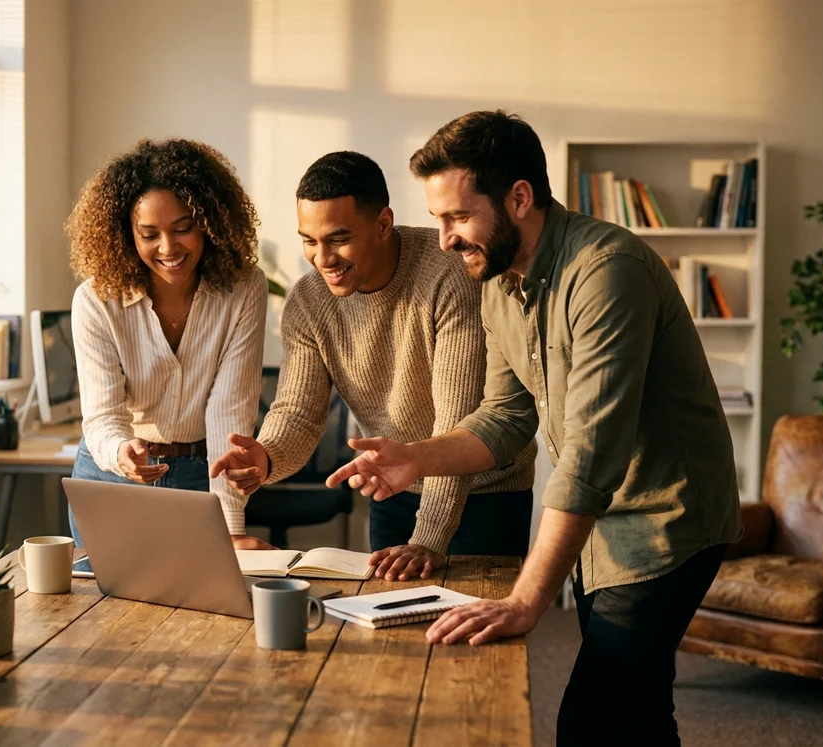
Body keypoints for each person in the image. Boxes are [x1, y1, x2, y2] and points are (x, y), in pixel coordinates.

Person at [326, 112, 742, 746]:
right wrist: (417, 457)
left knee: (595, 724)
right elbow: (506, 414)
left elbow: (591, 455)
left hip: (664, 523)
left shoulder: (608, 271)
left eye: (457, 217)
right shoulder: (498, 280)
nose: (443, 240)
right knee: (639, 715)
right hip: (602, 526)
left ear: (519, 198)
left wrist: (525, 602)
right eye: (437, 219)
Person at [211, 151, 536, 580]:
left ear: (383, 224)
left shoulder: (449, 275)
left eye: (338, 238)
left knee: (475, 621)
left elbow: (457, 422)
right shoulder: (309, 301)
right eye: (309, 241)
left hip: (484, 493)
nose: (323, 258)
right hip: (391, 488)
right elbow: (298, 412)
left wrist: (429, 537)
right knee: (387, 615)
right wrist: (267, 455)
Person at [65, 137, 272, 552]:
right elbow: (103, 417)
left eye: (183, 229)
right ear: (126, 234)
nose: (168, 248)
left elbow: (229, 409)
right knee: (104, 595)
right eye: (149, 234)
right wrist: (121, 452)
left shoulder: (243, 289)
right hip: (112, 479)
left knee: (201, 593)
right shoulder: (96, 300)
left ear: (209, 222)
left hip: (200, 474)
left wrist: (231, 527)